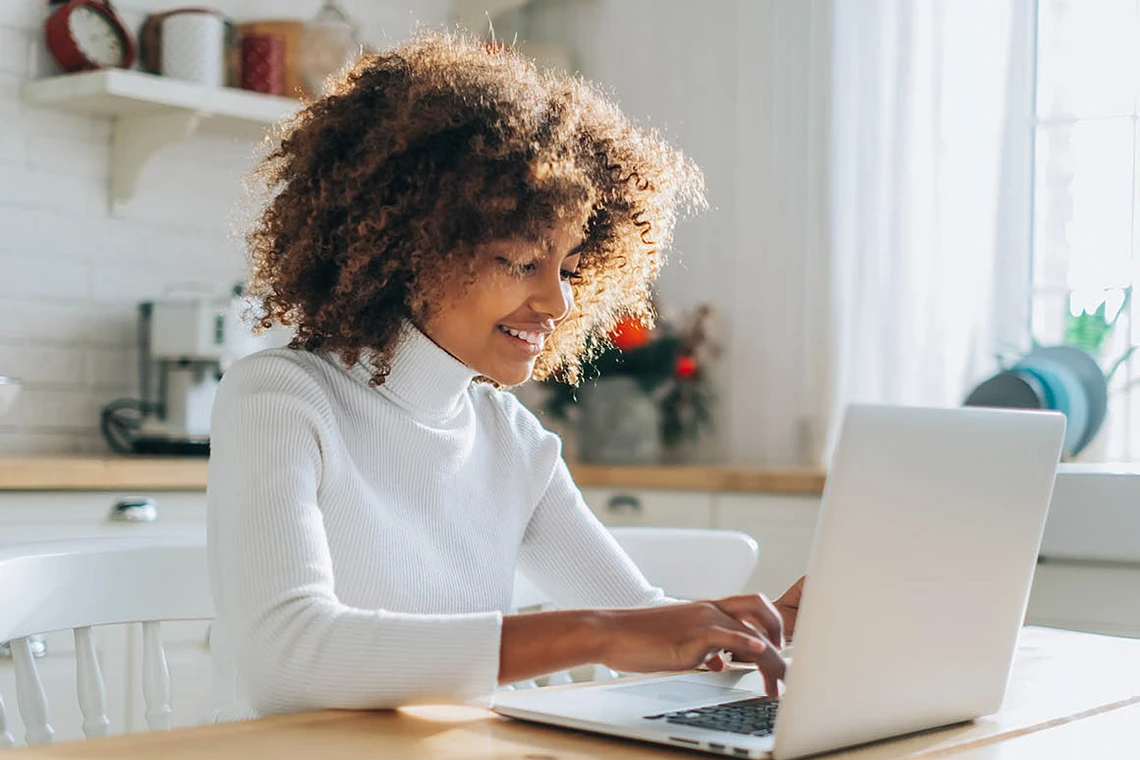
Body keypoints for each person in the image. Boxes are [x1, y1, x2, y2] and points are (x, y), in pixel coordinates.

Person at [203, 31, 804, 723]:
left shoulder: (510, 438)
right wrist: (596, 634)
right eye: (522, 262)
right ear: (412, 249)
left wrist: (765, 630)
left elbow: (639, 620)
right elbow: (287, 657)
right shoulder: (280, 398)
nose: (559, 302)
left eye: (570, 269)